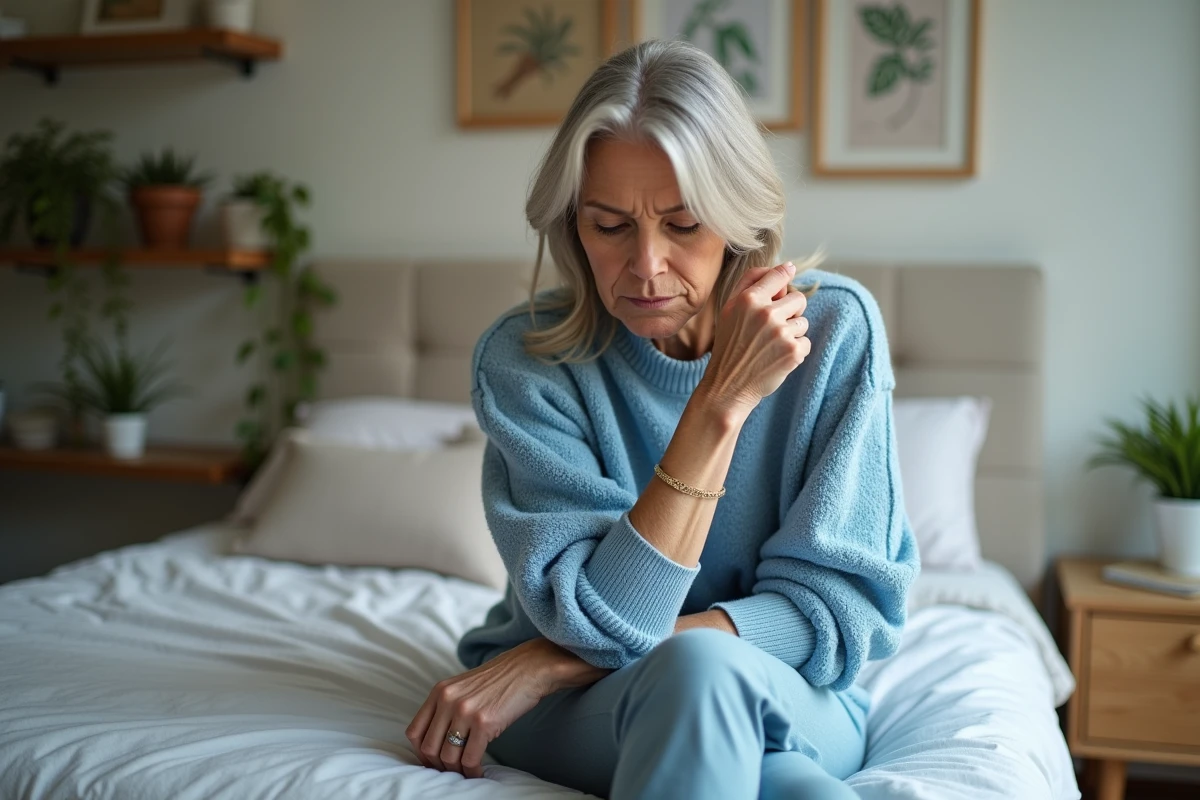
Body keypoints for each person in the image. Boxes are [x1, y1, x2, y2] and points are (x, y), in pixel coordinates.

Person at [407, 39, 919, 800]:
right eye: (609, 226)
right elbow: (593, 614)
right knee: (793, 784)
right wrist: (719, 407)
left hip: (773, 685)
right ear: (570, 226)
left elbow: (838, 616)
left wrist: (548, 661)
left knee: (701, 672)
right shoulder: (526, 361)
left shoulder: (834, 332)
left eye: (682, 225)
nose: (645, 266)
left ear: (738, 222)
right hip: (581, 709)